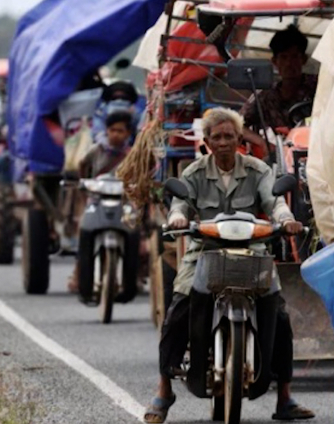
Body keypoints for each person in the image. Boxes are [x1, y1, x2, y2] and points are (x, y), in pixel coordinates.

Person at [143, 108, 314, 423]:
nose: (223, 142)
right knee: (178, 309)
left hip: (252, 251)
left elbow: (274, 201)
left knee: (278, 314)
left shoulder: (258, 170)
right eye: (217, 137)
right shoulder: (193, 172)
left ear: (239, 139)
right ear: (207, 141)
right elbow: (180, 203)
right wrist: (178, 217)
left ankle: (285, 397)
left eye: (229, 136)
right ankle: (164, 389)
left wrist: (286, 219)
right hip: (204, 252)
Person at [68, 111, 135, 294]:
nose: (116, 134)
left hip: (122, 200)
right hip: (97, 199)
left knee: (134, 233)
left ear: (128, 134)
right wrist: (86, 183)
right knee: (85, 232)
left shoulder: (131, 154)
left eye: (120, 131)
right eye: (112, 130)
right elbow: (82, 164)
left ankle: (132, 278)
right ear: (106, 131)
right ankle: (79, 274)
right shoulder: (97, 149)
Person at [240, 25, 318, 151]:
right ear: (275, 61)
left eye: (294, 57)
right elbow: (236, 124)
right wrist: (262, 143)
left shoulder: (318, 86)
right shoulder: (265, 95)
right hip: (280, 158)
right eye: (284, 57)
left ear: (303, 59)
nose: (289, 63)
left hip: (315, 151)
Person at [91, 81, 142, 147]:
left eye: (123, 97)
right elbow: (97, 130)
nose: (116, 135)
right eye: (116, 98)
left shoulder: (135, 113)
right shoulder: (102, 110)